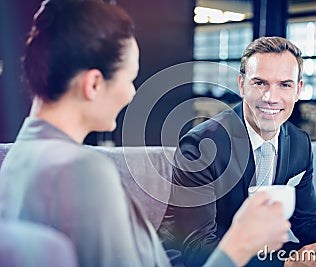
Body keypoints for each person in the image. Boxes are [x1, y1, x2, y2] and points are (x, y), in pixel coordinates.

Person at [0, 1, 290, 267]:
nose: (131, 93)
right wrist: (240, 244)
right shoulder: (80, 171)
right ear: (94, 85)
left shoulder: (17, 160)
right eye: (129, 79)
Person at [167, 36, 316, 267]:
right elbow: (196, 246)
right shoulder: (201, 146)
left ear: (298, 90)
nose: (271, 98)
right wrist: (285, 264)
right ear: (241, 84)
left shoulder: (300, 143)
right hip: (207, 255)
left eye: (285, 84)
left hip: (264, 252)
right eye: (260, 83)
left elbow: (307, 218)